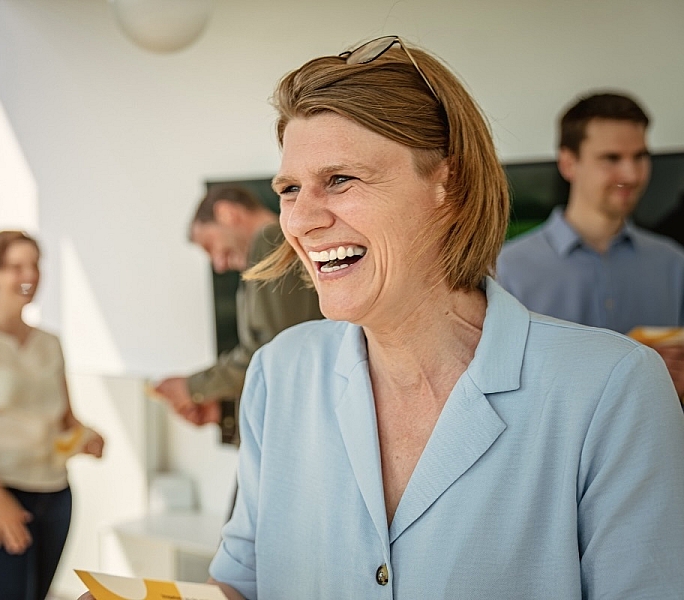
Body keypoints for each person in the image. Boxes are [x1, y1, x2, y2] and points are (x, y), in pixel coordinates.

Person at [202, 36, 684, 599]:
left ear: (447, 184)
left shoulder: (613, 390)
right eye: (288, 188)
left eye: (340, 179)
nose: (302, 219)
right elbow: (242, 583)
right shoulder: (278, 374)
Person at [0, 230, 105, 600]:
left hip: (55, 494)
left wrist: (89, 437)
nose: (30, 275)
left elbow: (66, 419)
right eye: (16, 266)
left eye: (35, 265)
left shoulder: (50, 343)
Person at [497, 92, 684, 399]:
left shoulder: (674, 264)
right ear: (569, 163)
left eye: (640, 157)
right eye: (612, 158)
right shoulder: (508, 270)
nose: (632, 174)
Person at [153, 185, 323, 445]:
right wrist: (224, 411)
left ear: (227, 213)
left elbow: (271, 352)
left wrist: (193, 387)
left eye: (211, 246)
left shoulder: (270, 240)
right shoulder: (269, 250)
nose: (219, 264)